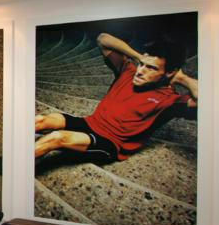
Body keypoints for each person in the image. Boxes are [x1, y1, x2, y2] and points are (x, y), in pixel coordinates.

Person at [34, 33, 197, 163]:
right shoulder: (128, 71)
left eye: (151, 68)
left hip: (109, 142)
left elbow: (207, 100)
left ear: (170, 72)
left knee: (56, 138)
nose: (140, 71)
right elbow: (103, 39)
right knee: (41, 120)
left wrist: (182, 78)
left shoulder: (170, 100)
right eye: (141, 64)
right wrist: (139, 57)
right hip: (90, 122)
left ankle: (17, 170)